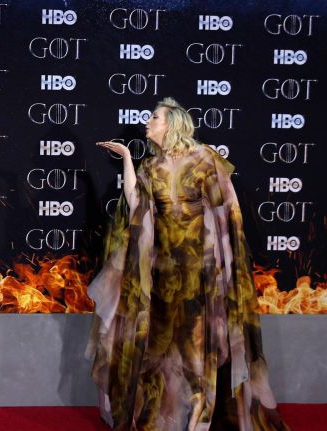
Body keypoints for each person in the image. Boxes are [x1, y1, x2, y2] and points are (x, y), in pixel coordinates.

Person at [87, 98, 289, 430]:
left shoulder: (204, 158)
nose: (147, 122)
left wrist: (227, 269)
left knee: (199, 352)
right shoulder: (150, 167)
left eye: (154, 117)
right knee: (163, 351)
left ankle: (200, 421)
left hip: (201, 274)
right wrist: (125, 157)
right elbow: (135, 202)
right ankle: (171, 419)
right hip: (163, 273)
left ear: (173, 124)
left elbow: (227, 213)